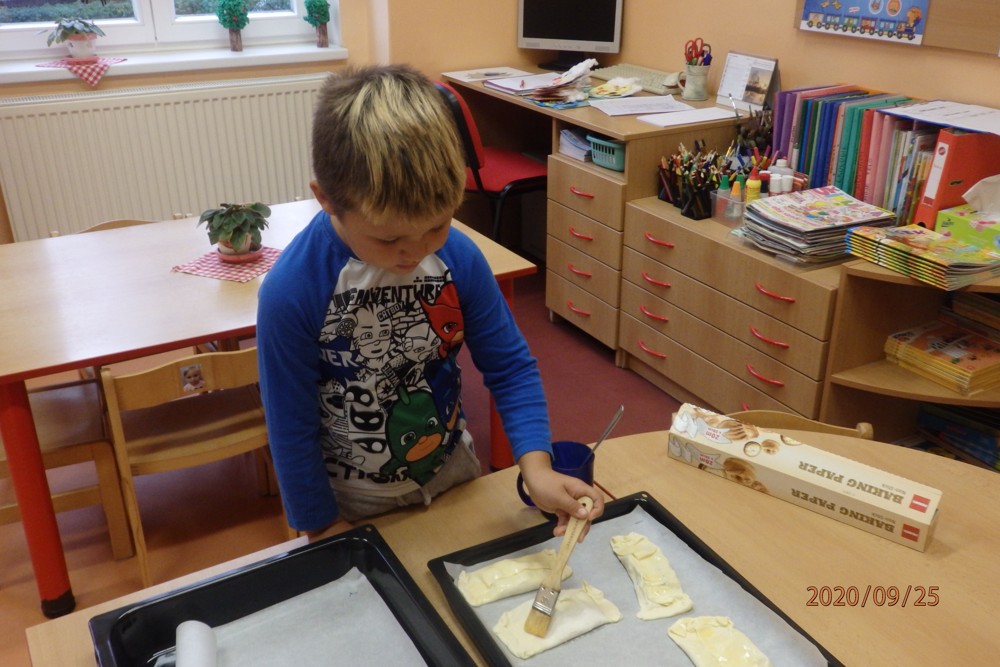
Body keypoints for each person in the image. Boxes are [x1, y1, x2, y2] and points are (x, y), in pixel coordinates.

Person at [257, 64, 604, 541]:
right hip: (353, 502)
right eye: (389, 238)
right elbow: (289, 425)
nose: (417, 252)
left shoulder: (458, 257)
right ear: (327, 200)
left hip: (452, 473)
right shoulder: (292, 290)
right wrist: (322, 526)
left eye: (437, 226)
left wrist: (537, 467)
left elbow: (509, 367)